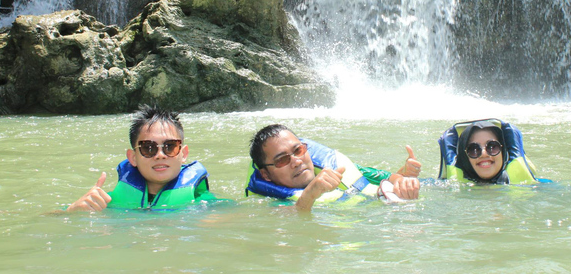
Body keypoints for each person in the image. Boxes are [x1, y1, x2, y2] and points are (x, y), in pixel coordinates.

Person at [67, 105, 218, 211]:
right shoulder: (105, 203)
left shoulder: (203, 203)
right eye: (148, 148)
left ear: (183, 154)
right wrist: (74, 210)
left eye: (170, 146)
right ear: (133, 157)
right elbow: (50, 218)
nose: (160, 155)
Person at [247, 124, 421, 211]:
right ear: (266, 175)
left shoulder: (336, 167)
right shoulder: (265, 204)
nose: (297, 161)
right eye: (282, 160)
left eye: (298, 150)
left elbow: (387, 177)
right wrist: (309, 196)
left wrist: (403, 178)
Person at [438, 118, 544, 185]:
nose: (484, 154)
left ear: (503, 151)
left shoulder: (539, 187)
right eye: (474, 149)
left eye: (492, 147)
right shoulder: (441, 188)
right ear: (464, 156)